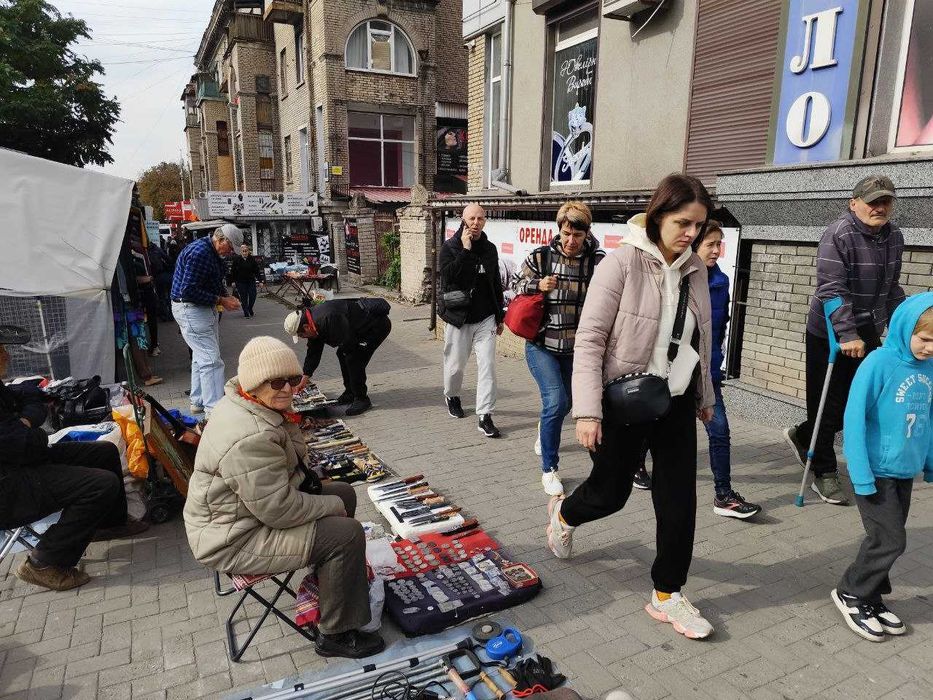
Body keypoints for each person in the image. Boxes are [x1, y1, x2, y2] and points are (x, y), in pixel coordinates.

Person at [546, 173, 717, 640]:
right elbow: (590, 340)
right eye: (683, 223)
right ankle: (565, 514)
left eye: (699, 226)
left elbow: (702, 337)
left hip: (676, 400)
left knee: (679, 497)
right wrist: (587, 412)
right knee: (611, 493)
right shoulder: (620, 263)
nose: (691, 234)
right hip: (623, 400)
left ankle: (668, 593)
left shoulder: (695, 268)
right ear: (659, 216)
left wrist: (705, 396)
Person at [183, 336, 384, 659]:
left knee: (343, 493)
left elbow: (290, 468)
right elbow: (279, 511)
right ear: (255, 382)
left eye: (292, 380)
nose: (288, 389)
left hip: (247, 514)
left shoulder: (249, 401)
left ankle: (334, 584)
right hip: (232, 537)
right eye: (277, 382)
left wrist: (288, 416)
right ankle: (335, 633)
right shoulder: (251, 435)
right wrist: (331, 508)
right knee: (346, 533)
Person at [784, 176, 906, 506]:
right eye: (872, 201)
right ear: (853, 203)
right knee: (829, 401)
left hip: (869, 329)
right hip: (830, 331)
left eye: (886, 201)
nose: (880, 207)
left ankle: (805, 434)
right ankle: (823, 471)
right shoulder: (838, 233)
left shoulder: (894, 235)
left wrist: (904, 326)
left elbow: (893, 288)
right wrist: (847, 334)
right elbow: (831, 290)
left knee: (864, 399)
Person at [0, 325, 148, 591]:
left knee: (104, 452)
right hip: (9, 488)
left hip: (21, 462)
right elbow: (28, 442)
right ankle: (44, 562)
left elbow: (30, 396)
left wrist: (26, 419)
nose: (7, 356)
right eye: (1, 351)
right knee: (100, 485)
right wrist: (28, 425)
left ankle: (108, 524)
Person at [630, 221, 761, 519]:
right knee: (655, 426)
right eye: (710, 244)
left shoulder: (721, 281)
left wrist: (714, 364)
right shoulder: (674, 280)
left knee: (720, 432)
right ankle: (636, 463)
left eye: (719, 244)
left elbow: (720, 326)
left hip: (708, 374)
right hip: (673, 375)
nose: (716, 250)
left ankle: (724, 495)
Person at [831, 293, 933, 642]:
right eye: (926, 339)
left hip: (905, 471)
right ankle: (851, 592)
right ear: (906, 328)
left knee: (885, 538)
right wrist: (859, 474)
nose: (931, 348)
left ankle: (872, 597)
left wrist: (929, 462)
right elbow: (854, 419)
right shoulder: (879, 363)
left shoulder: (930, 369)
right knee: (891, 539)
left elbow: (928, 419)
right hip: (875, 471)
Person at [512, 201, 604, 496]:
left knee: (564, 405)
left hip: (577, 350)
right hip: (542, 346)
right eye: (566, 234)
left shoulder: (598, 262)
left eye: (577, 235)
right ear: (559, 230)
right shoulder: (541, 258)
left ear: (587, 233)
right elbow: (513, 285)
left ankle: (544, 431)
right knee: (555, 402)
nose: (570, 241)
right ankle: (549, 469)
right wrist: (536, 285)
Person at [438, 204, 505, 438]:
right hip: (459, 318)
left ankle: (485, 415)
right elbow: (448, 278)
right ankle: (452, 395)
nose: (476, 223)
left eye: (480, 218)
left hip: (485, 318)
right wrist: (465, 252)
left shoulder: (490, 249)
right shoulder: (450, 247)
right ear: (463, 220)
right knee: (455, 366)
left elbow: (495, 282)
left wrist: (500, 315)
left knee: (487, 366)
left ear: (485, 221)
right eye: (472, 218)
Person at [171, 224, 243, 416]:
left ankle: (199, 400)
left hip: (200, 309)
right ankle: (215, 409)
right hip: (191, 308)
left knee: (201, 357)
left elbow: (213, 281)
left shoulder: (210, 252)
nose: (230, 254)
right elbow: (188, 290)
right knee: (211, 360)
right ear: (221, 240)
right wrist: (221, 300)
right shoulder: (200, 253)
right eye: (230, 248)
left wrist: (224, 296)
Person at [283, 297, 392, 416]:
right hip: (356, 330)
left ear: (306, 327)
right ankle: (350, 392)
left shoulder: (329, 318)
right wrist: (305, 377)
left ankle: (361, 398)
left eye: (301, 335)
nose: (302, 338)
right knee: (342, 354)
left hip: (376, 327)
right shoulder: (312, 321)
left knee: (353, 358)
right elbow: (314, 352)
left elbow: (349, 344)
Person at [229, 244, 265, 318]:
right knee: (243, 297)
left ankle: (250, 308)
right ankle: (246, 312)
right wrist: (233, 281)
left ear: (248, 251)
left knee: (253, 295)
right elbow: (233, 271)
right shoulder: (237, 260)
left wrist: (260, 281)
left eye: (246, 251)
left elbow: (256, 271)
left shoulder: (251, 259)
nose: (245, 253)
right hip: (240, 282)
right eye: (243, 251)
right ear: (241, 252)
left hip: (250, 281)